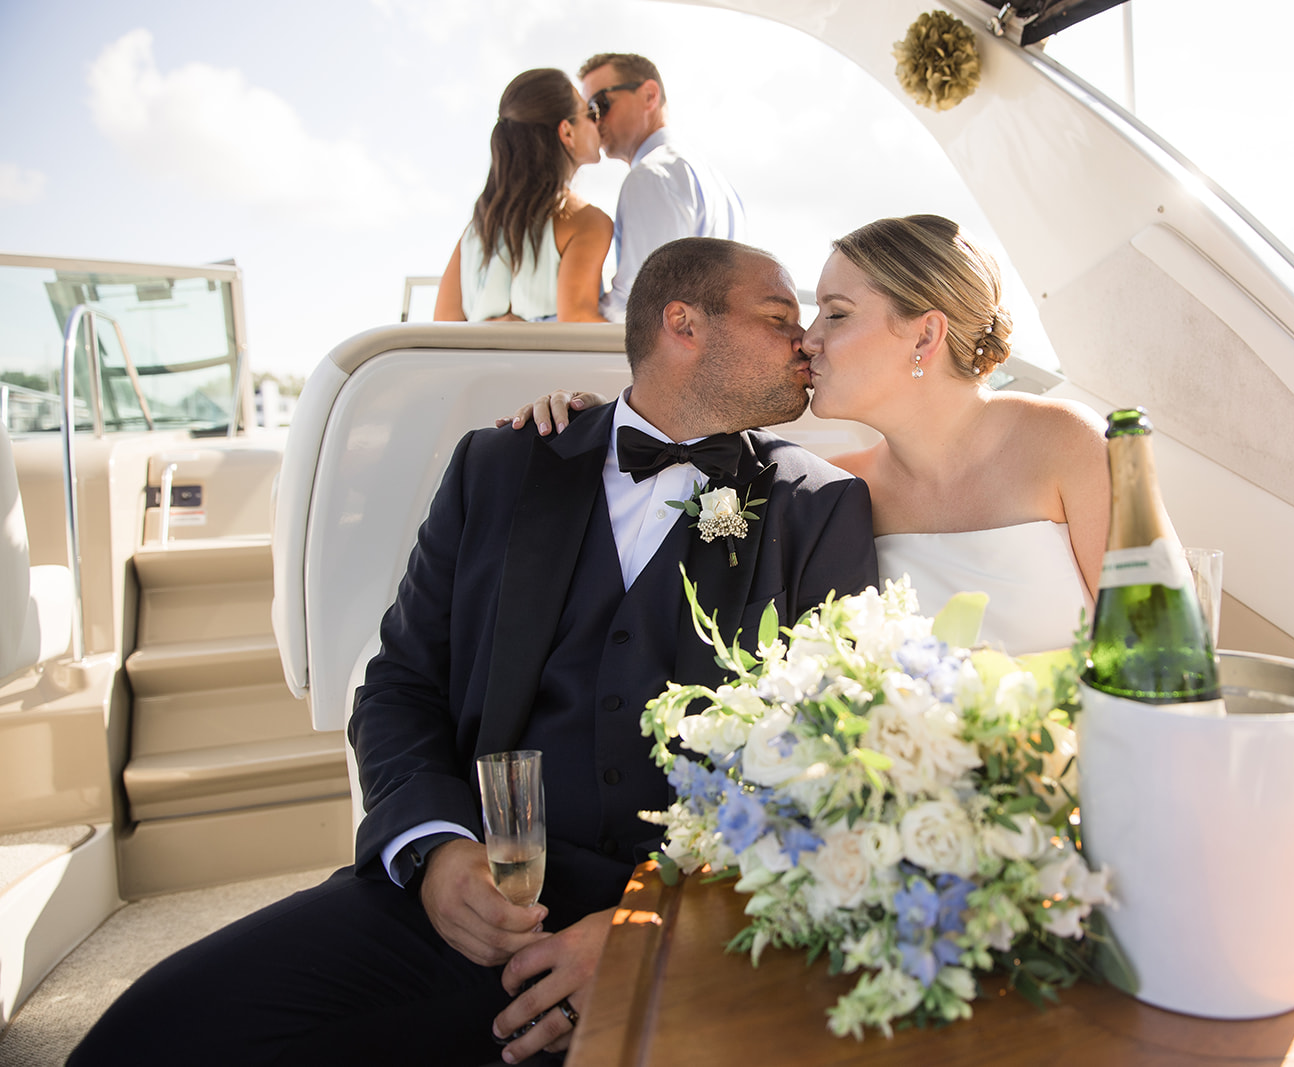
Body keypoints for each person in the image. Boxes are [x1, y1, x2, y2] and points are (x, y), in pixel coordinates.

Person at [67, 238, 877, 1067]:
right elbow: (399, 688)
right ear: (682, 324)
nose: (806, 340)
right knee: (146, 1037)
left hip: (681, 917)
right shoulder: (499, 466)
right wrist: (436, 851)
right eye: (781, 319)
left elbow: (826, 764)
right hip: (467, 894)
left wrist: (656, 932)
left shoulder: (816, 507)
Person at [515, 215, 1109, 655]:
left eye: (837, 313)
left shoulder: (1067, 444)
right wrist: (599, 424)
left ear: (925, 336)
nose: (808, 339)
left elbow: (1164, 650)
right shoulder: (838, 492)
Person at [578, 53, 747, 322]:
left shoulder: (651, 176)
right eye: (589, 112)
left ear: (649, 95)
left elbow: (637, 307)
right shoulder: (717, 181)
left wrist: (556, 313)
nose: (595, 121)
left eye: (600, 104)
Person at [434, 68, 612, 323]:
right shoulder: (586, 221)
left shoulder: (476, 231)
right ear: (567, 132)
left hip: (476, 364)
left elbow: (444, 325)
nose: (598, 122)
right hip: (551, 365)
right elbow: (579, 321)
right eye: (590, 113)